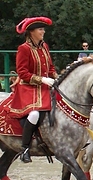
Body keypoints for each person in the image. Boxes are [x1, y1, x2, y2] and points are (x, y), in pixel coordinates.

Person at [10, 17, 58, 163]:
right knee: (35, 113)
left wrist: (57, 77)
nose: (43, 31)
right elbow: (22, 72)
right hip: (28, 87)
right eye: (40, 29)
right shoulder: (23, 49)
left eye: (43, 29)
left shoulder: (45, 47)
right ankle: (25, 148)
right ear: (31, 32)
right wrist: (41, 79)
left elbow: (50, 68)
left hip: (44, 86)